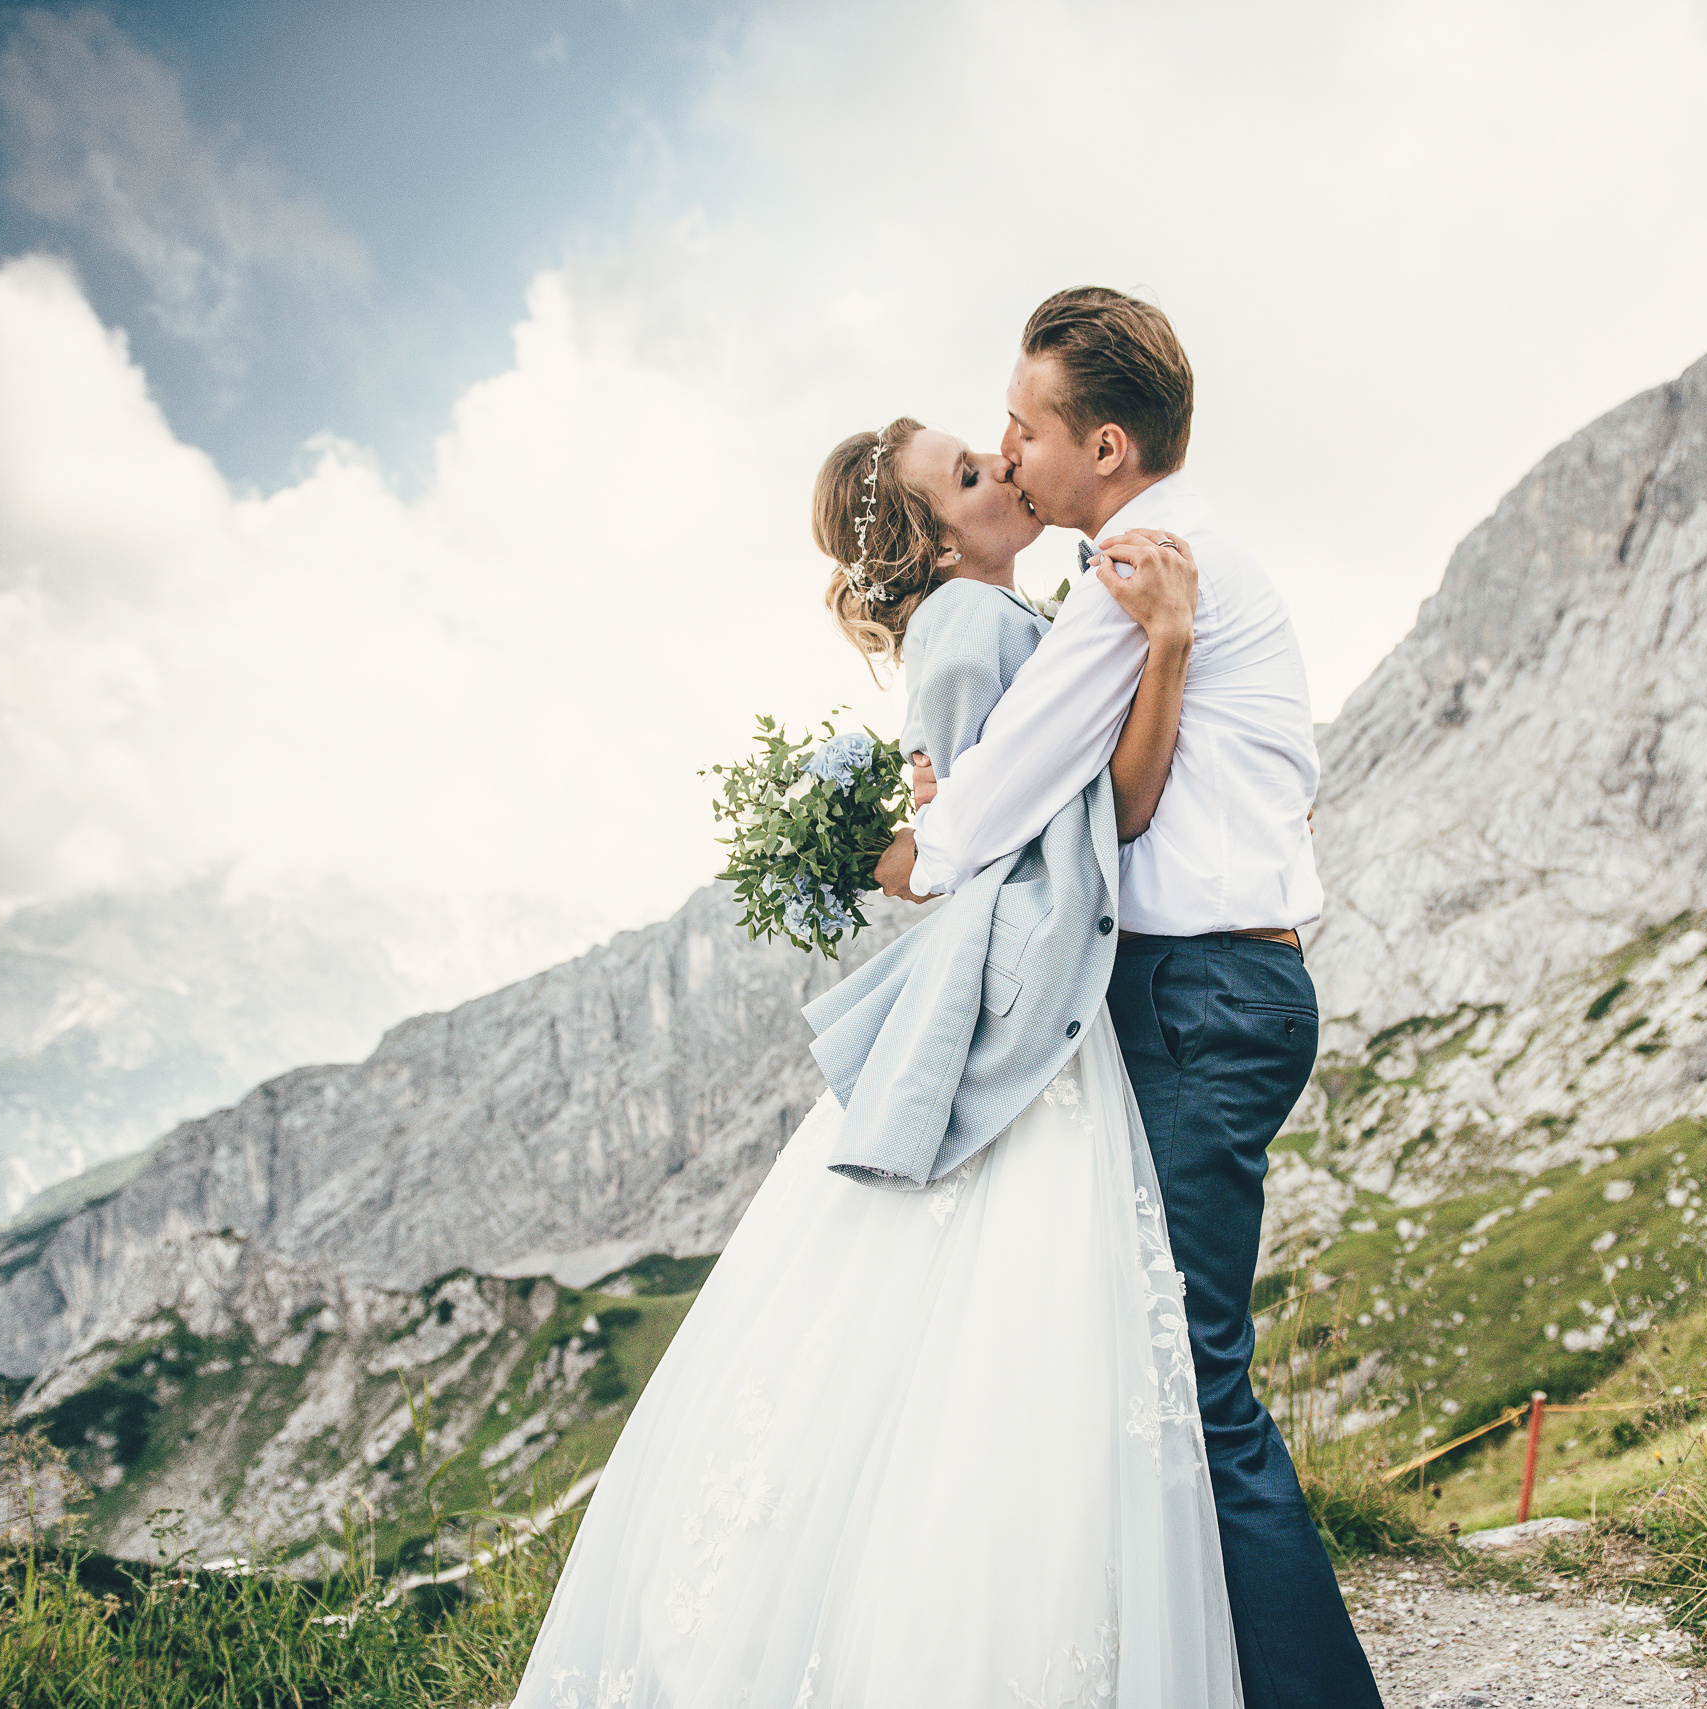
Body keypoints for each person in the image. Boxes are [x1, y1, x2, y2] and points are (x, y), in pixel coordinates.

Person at [509, 414, 1243, 1708]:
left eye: (989, 454)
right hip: (1024, 993)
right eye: (969, 476)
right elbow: (1012, 825)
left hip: (1038, 973)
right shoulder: (975, 629)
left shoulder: (1005, 619)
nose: (1002, 471)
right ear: (928, 536)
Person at [879, 287, 1384, 1709]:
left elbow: (992, 804)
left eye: (1023, 429)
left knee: (1198, 1391)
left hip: (1199, 997)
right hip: (1219, 989)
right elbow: (1117, 794)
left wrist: (905, 834)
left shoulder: (1143, 566)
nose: (1007, 449)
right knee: (1162, 1370)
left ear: (1103, 447)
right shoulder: (1174, 558)